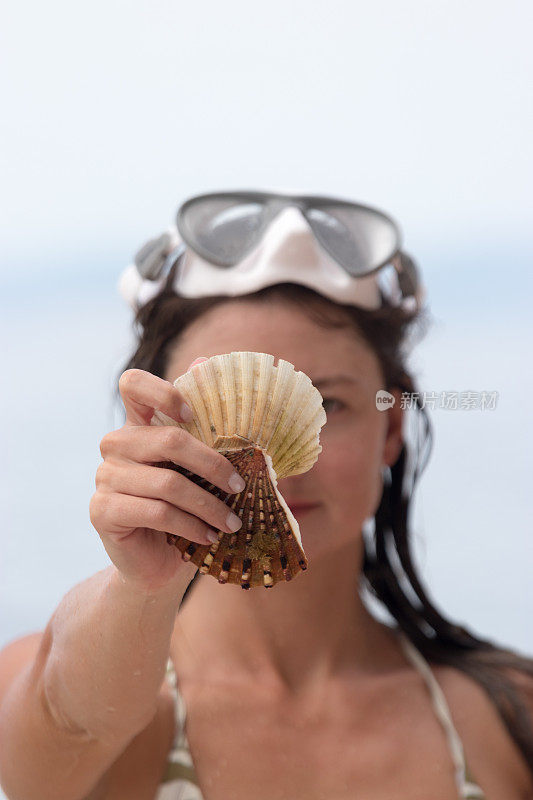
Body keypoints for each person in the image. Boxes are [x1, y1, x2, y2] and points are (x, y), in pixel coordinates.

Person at [0, 191, 531, 800]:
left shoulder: (510, 717)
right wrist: (145, 586)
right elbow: (68, 725)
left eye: (327, 406)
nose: (272, 469)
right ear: (154, 432)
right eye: (218, 412)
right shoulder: (89, 703)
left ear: (390, 426)